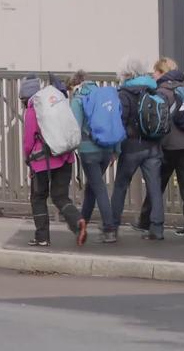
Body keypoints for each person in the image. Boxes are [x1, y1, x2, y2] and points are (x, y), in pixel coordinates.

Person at [21, 73, 87, 247]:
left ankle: (42, 237)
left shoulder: (32, 109)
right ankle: (78, 221)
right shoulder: (55, 101)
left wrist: (28, 160)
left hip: (43, 161)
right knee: (60, 196)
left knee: (38, 197)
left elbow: (28, 141)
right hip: (65, 156)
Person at [136, 57, 184, 237]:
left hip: (168, 145)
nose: (153, 75)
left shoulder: (162, 92)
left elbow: (157, 119)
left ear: (161, 72)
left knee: (157, 184)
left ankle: (146, 220)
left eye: (155, 72)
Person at [111, 56, 165, 240]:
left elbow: (121, 121)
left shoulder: (125, 93)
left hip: (131, 147)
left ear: (126, 73)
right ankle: (157, 228)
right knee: (154, 187)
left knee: (120, 186)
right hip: (153, 146)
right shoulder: (153, 89)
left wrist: (115, 148)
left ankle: (112, 227)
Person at [68, 70, 118, 243]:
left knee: (98, 187)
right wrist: (115, 151)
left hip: (89, 150)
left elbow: (75, 127)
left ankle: (109, 229)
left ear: (74, 84)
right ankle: (82, 223)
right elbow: (115, 122)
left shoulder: (78, 98)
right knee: (92, 186)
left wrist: (70, 148)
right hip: (107, 149)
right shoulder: (103, 97)